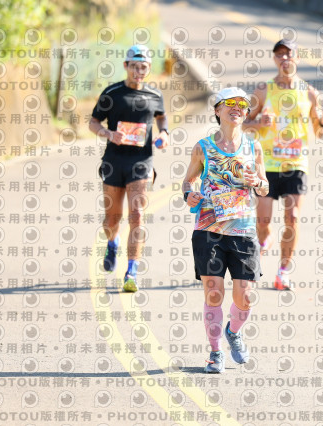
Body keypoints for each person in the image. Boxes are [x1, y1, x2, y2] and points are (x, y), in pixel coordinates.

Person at [182, 87, 269, 373]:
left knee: (245, 296)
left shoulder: (253, 147)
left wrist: (257, 182)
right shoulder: (203, 147)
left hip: (243, 231)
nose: (237, 108)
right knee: (214, 293)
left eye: (242, 105)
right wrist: (189, 194)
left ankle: (233, 331)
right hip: (209, 229)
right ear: (217, 110)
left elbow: (265, 187)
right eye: (230, 103)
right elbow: (188, 181)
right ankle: (215, 352)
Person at [244, 39, 323, 290]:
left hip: (296, 163)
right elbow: (243, 124)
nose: (284, 58)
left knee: (292, 217)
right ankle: (265, 238)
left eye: (289, 54)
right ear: (274, 59)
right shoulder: (263, 90)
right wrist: (259, 124)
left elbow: (319, 132)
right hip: (267, 164)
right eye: (279, 54)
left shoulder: (309, 93)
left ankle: (283, 272)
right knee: (262, 222)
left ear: (297, 57)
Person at [89, 44, 169, 292]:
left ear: (149, 68)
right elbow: (93, 122)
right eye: (134, 66)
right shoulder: (112, 93)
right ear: (126, 66)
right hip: (114, 161)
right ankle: (112, 243)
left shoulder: (154, 95)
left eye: (143, 67)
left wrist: (164, 133)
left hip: (141, 163)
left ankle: (131, 271)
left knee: (137, 215)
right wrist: (108, 134)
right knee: (112, 219)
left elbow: (161, 117)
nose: (139, 71)